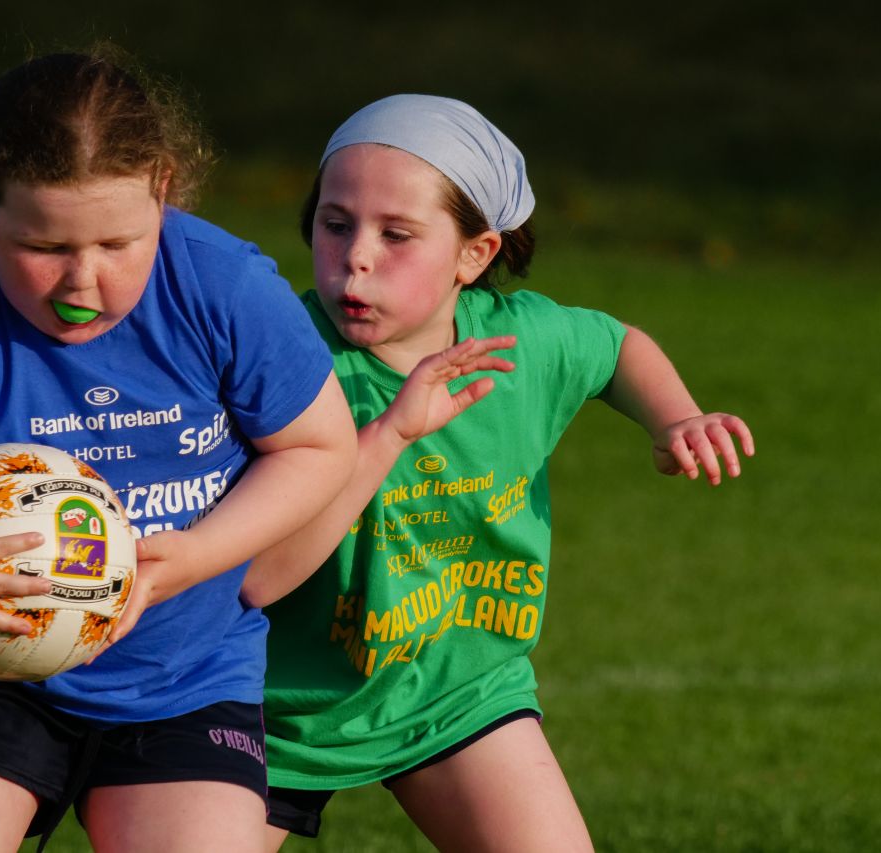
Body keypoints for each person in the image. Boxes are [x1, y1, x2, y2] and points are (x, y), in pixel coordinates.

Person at [0, 50, 356, 852]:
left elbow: (317, 445)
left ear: (163, 189)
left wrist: (195, 555)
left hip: (187, 674)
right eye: (45, 245)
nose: (82, 281)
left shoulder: (223, 288)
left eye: (120, 243)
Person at [242, 94, 755, 851]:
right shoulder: (277, 354)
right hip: (272, 707)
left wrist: (675, 416)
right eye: (335, 221)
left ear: (474, 254)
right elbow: (252, 572)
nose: (356, 255)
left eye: (397, 235)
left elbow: (615, 346)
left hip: (460, 686)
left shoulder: (521, 345)